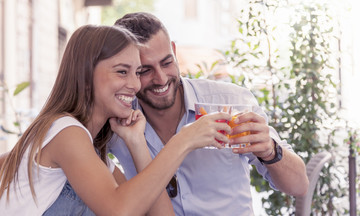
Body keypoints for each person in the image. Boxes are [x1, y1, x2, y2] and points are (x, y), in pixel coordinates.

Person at [0, 25, 233, 215]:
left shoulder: (95, 157)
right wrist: (184, 141)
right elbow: (118, 210)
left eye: (137, 72)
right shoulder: (65, 131)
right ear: (86, 77)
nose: (135, 85)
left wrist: (137, 143)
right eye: (122, 72)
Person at [109, 12, 309, 215]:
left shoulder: (229, 101)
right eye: (145, 70)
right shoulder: (118, 119)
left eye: (167, 63)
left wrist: (271, 152)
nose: (161, 79)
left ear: (175, 52)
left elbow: (299, 186)